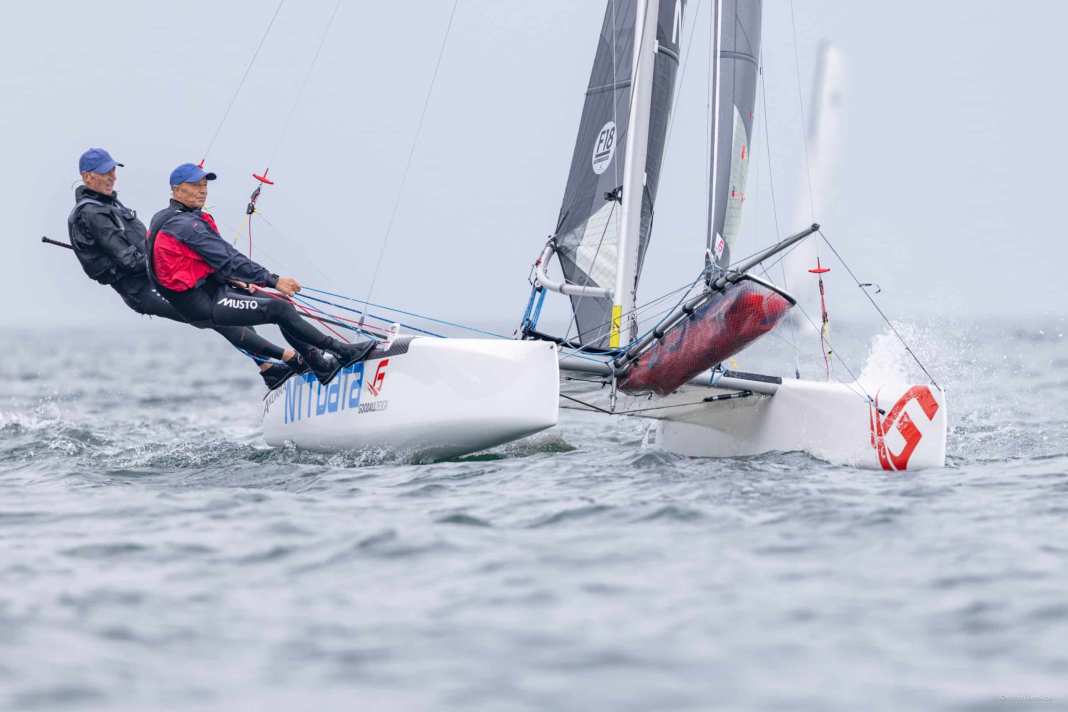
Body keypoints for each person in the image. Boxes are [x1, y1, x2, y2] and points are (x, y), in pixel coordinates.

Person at [68, 148, 302, 389]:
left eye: (113, 170)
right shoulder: (90, 213)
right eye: (105, 172)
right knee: (216, 316)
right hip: (144, 289)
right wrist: (175, 259)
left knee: (228, 302)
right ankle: (289, 359)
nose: (112, 176)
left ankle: (269, 369)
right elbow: (129, 260)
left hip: (162, 277)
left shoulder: (110, 205)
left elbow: (147, 243)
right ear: (87, 177)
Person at [147, 163, 375, 384]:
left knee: (281, 303)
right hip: (202, 304)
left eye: (205, 184)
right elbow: (228, 259)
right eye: (196, 185)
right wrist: (273, 280)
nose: (203, 189)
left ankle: (318, 363)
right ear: (176, 189)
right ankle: (342, 352)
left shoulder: (170, 217)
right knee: (280, 309)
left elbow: (195, 262)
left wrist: (238, 281)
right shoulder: (184, 225)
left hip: (212, 288)